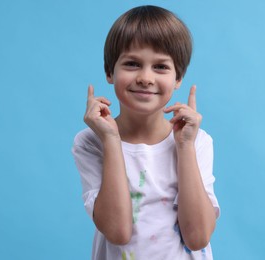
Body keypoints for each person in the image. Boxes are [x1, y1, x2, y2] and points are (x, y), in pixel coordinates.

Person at [72, 5, 220, 259]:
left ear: (178, 78)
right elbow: (118, 232)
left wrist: (185, 147)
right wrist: (110, 139)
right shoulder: (91, 142)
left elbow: (197, 238)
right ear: (110, 72)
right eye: (132, 64)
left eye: (160, 67)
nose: (145, 77)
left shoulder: (197, 141)